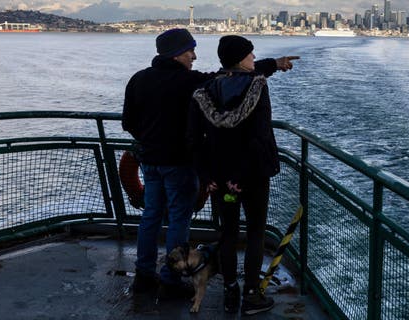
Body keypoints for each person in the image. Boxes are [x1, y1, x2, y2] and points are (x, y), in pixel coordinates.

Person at [122, 28, 298, 304]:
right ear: (178, 54)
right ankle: (171, 279)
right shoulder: (190, 82)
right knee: (179, 218)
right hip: (179, 163)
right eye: (190, 50)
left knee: (151, 216)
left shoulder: (138, 80)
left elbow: (128, 122)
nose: (194, 55)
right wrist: (273, 64)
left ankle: (144, 276)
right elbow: (233, 75)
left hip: (150, 161)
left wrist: (149, 141)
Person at [187, 35, 298, 316]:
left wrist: (207, 175)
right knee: (256, 232)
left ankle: (230, 290)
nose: (253, 59)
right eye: (250, 54)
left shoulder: (205, 91)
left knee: (228, 233)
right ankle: (251, 295)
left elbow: (194, 139)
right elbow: (258, 138)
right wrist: (241, 176)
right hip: (250, 176)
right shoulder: (256, 88)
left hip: (220, 179)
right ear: (240, 59)